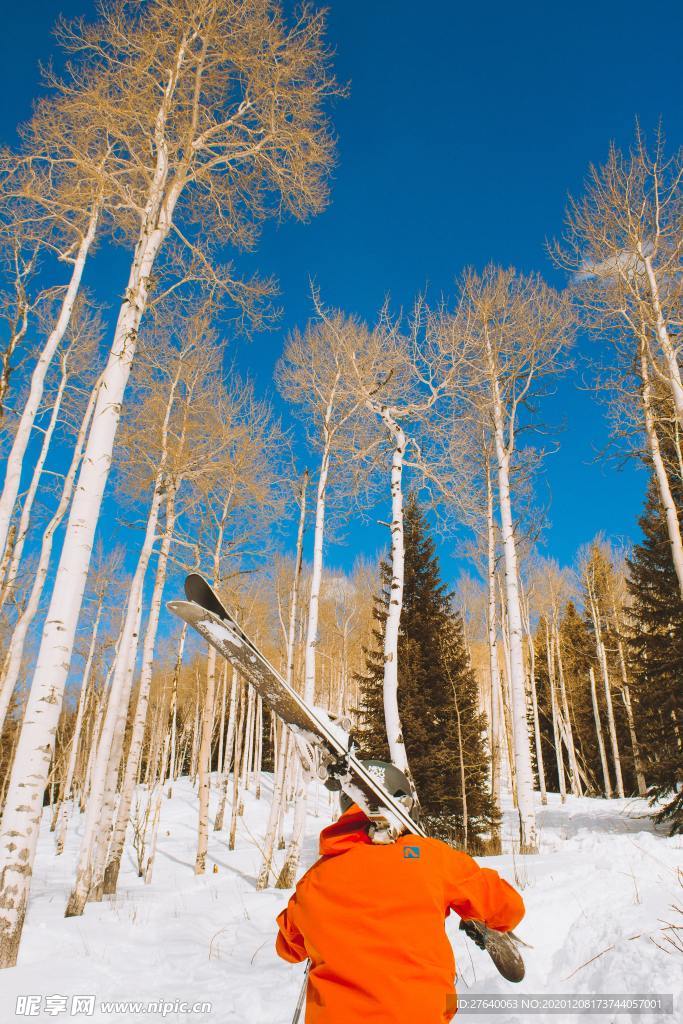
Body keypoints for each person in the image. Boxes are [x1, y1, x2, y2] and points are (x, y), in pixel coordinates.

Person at [275, 760, 525, 1024]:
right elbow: (506, 906)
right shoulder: (429, 857)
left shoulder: (313, 880)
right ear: (406, 804)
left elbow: (288, 947)